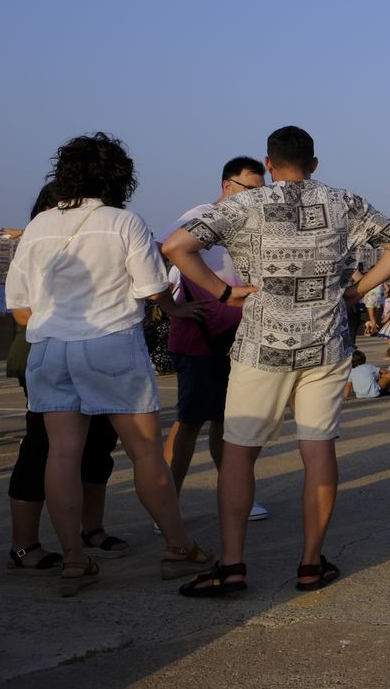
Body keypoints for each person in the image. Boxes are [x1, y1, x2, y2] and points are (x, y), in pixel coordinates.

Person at [163, 125, 390, 597]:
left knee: (239, 453)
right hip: (326, 344)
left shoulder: (244, 204)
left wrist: (222, 292)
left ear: (270, 164)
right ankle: (310, 563)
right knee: (318, 449)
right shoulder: (345, 202)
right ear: (314, 163)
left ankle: (233, 565)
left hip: (262, 344)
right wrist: (357, 290)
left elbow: (176, 246)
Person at [6, 133, 216, 596]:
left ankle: (75, 561)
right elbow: (150, 287)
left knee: (61, 455)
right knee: (144, 451)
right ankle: (178, 547)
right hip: (110, 346)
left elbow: (19, 301)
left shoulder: (39, 226)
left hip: (49, 348)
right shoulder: (124, 222)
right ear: (120, 176)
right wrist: (176, 308)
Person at [5, 182, 130, 577]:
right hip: (43, 355)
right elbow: (20, 311)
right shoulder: (35, 244)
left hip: (95, 355)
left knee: (98, 445)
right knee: (41, 447)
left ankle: (91, 528)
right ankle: (23, 545)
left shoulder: (95, 242)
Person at [162, 156, 270, 523]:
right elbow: (172, 254)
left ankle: (236, 497)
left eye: (262, 190)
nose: (257, 196)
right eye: (250, 189)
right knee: (189, 420)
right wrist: (217, 295)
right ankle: (166, 507)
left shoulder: (257, 222)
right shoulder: (198, 216)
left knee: (232, 421)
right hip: (200, 332)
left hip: (240, 333)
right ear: (228, 186)